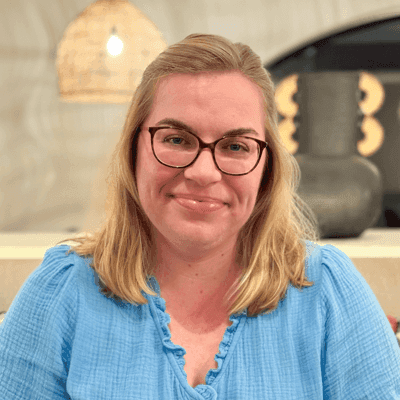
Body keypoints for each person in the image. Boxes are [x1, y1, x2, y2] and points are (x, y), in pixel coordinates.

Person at [0, 33, 399, 399]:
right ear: (133, 151)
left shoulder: (328, 291)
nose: (203, 173)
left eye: (236, 146)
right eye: (176, 139)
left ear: (267, 167)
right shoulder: (60, 292)